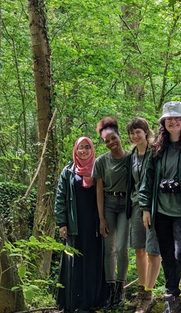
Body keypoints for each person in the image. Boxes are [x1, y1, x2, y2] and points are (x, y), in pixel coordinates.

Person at [139, 101, 181, 313]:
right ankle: (172, 299)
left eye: (177, 118)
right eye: (169, 119)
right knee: (167, 255)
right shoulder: (157, 149)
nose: (173, 121)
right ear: (163, 123)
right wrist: (146, 208)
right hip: (161, 212)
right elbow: (146, 180)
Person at [54, 136, 108, 313]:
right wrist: (62, 223)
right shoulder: (68, 171)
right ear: (75, 150)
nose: (83, 151)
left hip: (94, 226)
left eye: (87, 147)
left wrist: (104, 220)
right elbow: (60, 198)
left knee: (92, 262)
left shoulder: (98, 169)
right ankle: (72, 303)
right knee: (73, 263)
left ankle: (90, 302)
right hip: (74, 225)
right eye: (80, 148)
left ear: (92, 150)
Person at [93, 117, 131, 310]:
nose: (110, 143)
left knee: (123, 247)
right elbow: (99, 190)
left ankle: (120, 289)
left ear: (119, 136)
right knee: (110, 248)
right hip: (108, 204)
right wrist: (101, 218)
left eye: (113, 138)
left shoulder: (131, 158)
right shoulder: (100, 162)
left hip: (126, 205)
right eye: (106, 141)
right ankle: (108, 291)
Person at [125, 117, 162, 313]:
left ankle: (148, 294)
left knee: (153, 250)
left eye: (138, 131)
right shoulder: (132, 155)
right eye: (131, 133)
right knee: (139, 249)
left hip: (153, 206)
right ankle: (140, 292)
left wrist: (149, 206)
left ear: (145, 131)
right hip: (135, 205)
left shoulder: (154, 152)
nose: (135, 135)